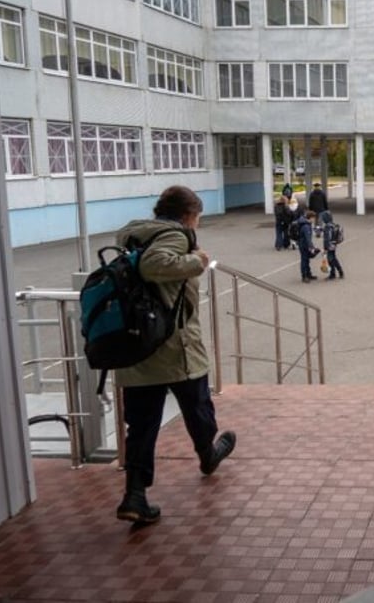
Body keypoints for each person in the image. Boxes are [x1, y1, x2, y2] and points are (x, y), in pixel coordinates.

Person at [114, 185, 236, 525]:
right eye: (196, 218)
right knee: (198, 408)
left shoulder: (134, 236)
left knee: (141, 425)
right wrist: (197, 261)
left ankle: (135, 494)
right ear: (189, 215)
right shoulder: (176, 236)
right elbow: (155, 266)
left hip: (136, 346)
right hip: (174, 346)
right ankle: (207, 455)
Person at [319, 210, 344, 280]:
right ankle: (339, 272)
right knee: (333, 258)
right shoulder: (333, 224)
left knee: (330, 260)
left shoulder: (327, 227)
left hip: (329, 246)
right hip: (334, 244)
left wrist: (325, 248)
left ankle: (333, 274)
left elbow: (327, 238)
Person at [297, 209, 320, 283]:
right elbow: (308, 239)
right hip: (304, 245)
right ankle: (304, 276)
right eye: (314, 218)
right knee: (304, 260)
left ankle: (308, 274)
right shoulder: (306, 226)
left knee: (307, 260)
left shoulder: (307, 224)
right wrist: (312, 247)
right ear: (310, 218)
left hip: (304, 244)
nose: (314, 220)